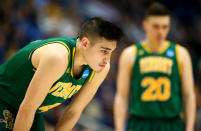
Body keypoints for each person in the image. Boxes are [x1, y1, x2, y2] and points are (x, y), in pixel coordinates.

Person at [0, 17, 123, 131]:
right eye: (104, 51)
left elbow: (73, 111)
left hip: (33, 110)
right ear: (85, 43)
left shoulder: (101, 68)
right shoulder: (57, 57)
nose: (107, 59)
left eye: (111, 52)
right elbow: (27, 108)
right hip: (5, 98)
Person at [114, 2, 195, 131]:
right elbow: (121, 96)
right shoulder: (130, 54)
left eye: (165, 27)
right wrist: (118, 128)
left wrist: (190, 127)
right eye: (156, 26)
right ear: (145, 25)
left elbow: (189, 95)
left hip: (171, 122)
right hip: (139, 122)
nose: (160, 31)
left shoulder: (181, 53)